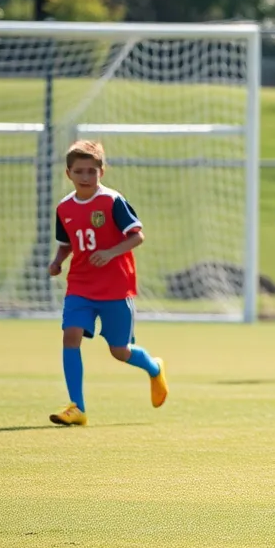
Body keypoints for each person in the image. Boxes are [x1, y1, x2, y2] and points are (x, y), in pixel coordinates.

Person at [48, 140, 168, 425]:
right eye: (79, 171)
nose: (85, 177)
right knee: (70, 335)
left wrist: (111, 252)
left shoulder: (112, 201)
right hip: (80, 285)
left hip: (116, 287)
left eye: (92, 171)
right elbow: (67, 242)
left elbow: (137, 236)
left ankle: (154, 368)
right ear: (68, 173)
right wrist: (58, 261)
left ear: (102, 171)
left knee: (120, 351)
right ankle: (77, 408)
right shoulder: (64, 207)